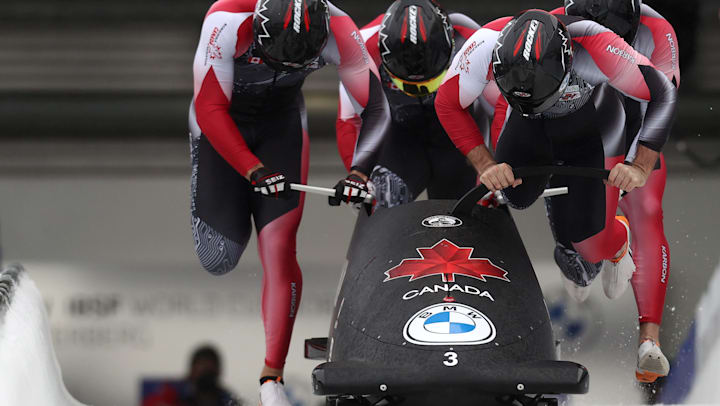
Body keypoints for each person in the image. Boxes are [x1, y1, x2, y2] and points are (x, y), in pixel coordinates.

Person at [435, 6, 676, 373]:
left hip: (592, 127)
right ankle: (575, 228)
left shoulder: (595, 45)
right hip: (526, 123)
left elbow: (662, 93)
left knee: (589, 242)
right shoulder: (486, 42)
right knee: (515, 195)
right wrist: (486, 164)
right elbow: (447, 103)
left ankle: (617, 238)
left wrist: (638, 165)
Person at [189, 1, 389, 404]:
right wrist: (252, 169)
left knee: (279, 247)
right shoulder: (226, 20)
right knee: (218, 257)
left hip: (281, 125)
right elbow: (210, 107)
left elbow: (377, 108)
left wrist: (359, 172)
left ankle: (271, 377)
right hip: (221, 121)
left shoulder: (340, 28)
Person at [538, 0, 679, 383]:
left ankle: (650, 339)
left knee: (647, 210)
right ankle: (585, 248)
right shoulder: (548, 27)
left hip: (631, 130)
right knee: (584, 260)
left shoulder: (657, 30)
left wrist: (640, 165)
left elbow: (663, 100)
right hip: (576, 134)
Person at [336, 0, 496, 207]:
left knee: (474, 210)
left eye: (428, 82)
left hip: (457, 140)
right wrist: (358, 176)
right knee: (381, 203)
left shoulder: (472, 38)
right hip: (398, 141)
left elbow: (495, 107)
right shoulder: (362, 45)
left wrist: (492, 166)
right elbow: (348, 119)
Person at [142, 345, 239, 406]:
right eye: (202, 367)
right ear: (191, 371)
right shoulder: (171, 393)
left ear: (219, 371)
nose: (206, 374)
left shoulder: (228, 399)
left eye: (210, 370)